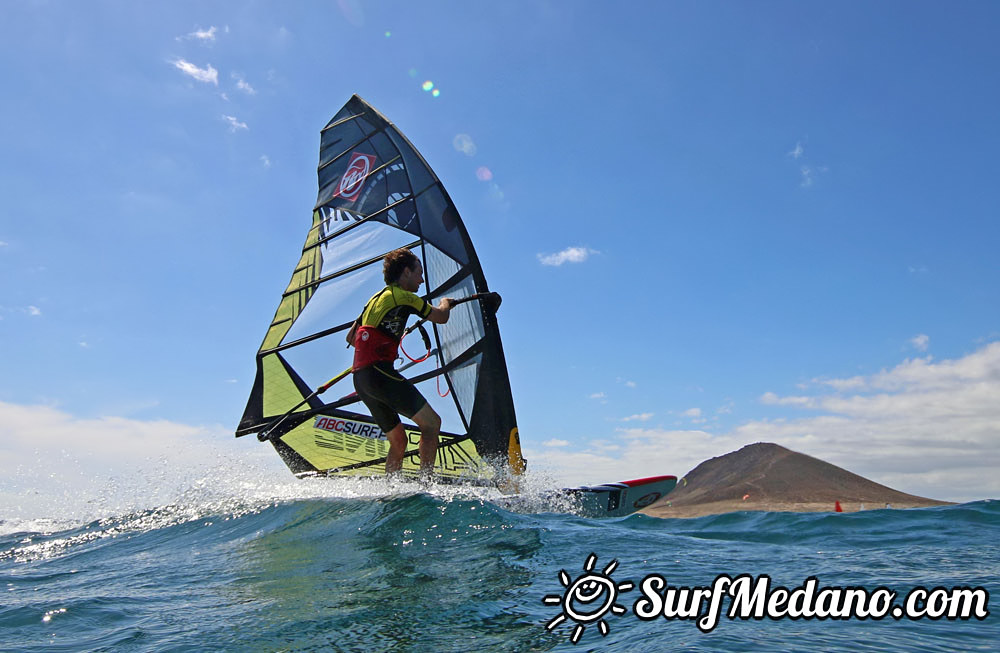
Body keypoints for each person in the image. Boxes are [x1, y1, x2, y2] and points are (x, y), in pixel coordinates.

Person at [347, 248, 454, 478]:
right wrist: (446, 302)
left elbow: (351, 337)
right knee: (432, 424)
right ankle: (426, 484)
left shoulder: (374, 299)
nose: (422, 280)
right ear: (406, 272)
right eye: (419, 273)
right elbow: (441, 317)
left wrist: (386, 335)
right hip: (378, 373)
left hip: (361, 378)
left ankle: (391, 488)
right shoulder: (404, 297)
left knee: (398, 440)